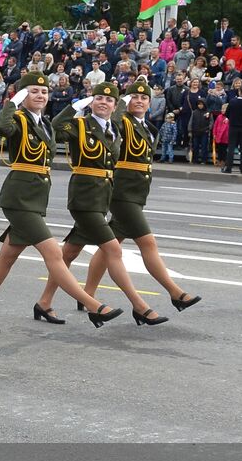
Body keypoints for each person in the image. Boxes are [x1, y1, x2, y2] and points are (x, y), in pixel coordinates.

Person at [0, 73, 121, 333]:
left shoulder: (45, 123)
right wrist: (12, 102)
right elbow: (1, 129)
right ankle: (93, 305)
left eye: (44, 92)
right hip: (18, 197)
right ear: (23, 95)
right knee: (53, 252)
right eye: (34, 91)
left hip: (36, 197)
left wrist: (76, 106)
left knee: (7, 258)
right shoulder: (18, 119)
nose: (40, 96)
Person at [33, 81, 166, 326]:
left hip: (101, 199)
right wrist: (76, 106)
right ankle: (139, 306)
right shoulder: (80, 125)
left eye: (109, 100)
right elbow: (55, 128)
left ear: (116, 105)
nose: (103, 103)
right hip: (83, 199)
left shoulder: (114, 128)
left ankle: (44, 302)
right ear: (91, 101)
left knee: (69, 253)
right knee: (113, 249)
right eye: (98, 99)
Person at [77, 79, 202, 313]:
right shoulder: (121, 122)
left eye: (144, 98)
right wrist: (121, 104)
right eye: (134, 96)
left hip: (137, 193)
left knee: (110, 246)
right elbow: (110, 122)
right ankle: (175, 293)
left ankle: (87, 294)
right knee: (148, 242)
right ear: (126, 100)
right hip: (122, 193)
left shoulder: (149, 128)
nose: (140, 101)